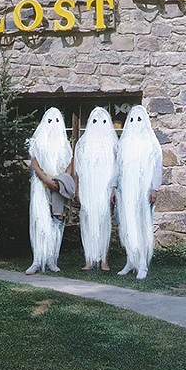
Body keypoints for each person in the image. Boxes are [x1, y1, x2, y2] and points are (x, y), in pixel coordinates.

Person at [115, 105, 162, 280]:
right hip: (126, 190)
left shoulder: (152, 143)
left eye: (139, 119)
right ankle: (130, 260)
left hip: (143, 191)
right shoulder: (124, 144)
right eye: (132, 119)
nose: (136, 122)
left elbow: (157, 167)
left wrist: (154, 188)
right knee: (128, 226)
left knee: (142, 226)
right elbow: (118, 167)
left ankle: (142, 263)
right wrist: (113, 187)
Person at [25, 107, 73, 275]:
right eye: (50, 121)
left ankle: (52, 259)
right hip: (41, 186)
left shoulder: (65, 145)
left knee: (57, 222)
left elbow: (69, 165)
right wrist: (46, 180)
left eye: (57, 121)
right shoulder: (38, 143)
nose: (53, 125)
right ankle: (37, 260)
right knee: (40, 221)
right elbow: (35, 164)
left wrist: (61, 181)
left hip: (58, 187)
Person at [74, 106, 118, 273]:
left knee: (104, 222)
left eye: (103, 121)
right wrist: (77, 190)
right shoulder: (83, 144)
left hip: (104, 189)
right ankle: (89, 259)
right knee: (87, 222)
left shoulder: (113, 144)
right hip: (87, 189)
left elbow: (117, 168)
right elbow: (78, 169)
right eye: (95, 121)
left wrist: (113, 189)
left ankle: (104, 260)